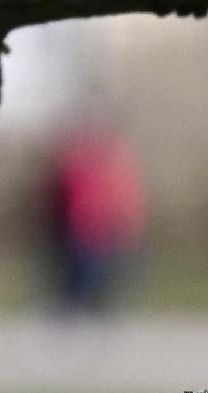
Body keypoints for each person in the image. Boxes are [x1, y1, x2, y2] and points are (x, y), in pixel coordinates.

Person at [40, 116, 145, 313]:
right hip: (81, 229)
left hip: (102, 229)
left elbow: (121, 197)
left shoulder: (111, 164)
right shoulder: (79, 163)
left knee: (101, 274)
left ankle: (93, 306)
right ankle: (75, 306)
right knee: (79, 274)